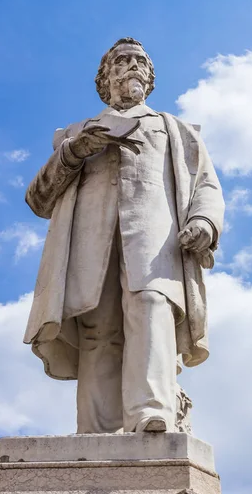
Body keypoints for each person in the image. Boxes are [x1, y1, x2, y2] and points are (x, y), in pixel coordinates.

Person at [24, 37, 225, 434]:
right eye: (121, 61)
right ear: (106, 80)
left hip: (156, 241)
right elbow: (38, 198)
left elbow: (206, 185)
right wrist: (73, 152)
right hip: (90, 241)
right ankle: (97, 428)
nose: (131, 66)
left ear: (149, 78)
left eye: (139, 61)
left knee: (150, 307)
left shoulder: (176, 129)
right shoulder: (77, 133)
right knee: (98, 326)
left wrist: (205, 221)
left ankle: (151, 411)